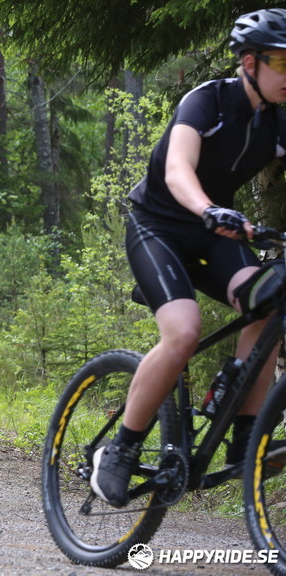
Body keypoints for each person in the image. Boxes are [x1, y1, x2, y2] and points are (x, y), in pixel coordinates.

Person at [91, 8, 286, 508]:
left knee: (269, 302)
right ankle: (121, 449)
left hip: (215, 234)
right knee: (183, 331)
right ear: (249, 62)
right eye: (282, 65)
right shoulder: (207, 101)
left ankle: (246, 437)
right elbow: (178, 170)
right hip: (158, 225)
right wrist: (209, 208)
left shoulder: (280, 120)